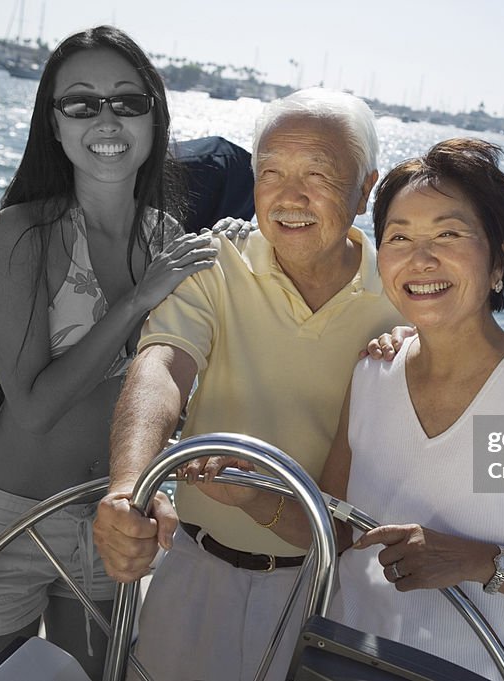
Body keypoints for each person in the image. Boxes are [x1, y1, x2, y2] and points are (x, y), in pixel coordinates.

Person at [200, 139, 504, 680]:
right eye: (399, 236)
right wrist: (252, 498)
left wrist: (477, 560)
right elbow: (338, 534)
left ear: (498, 257)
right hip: (347, 661)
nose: (421, 258)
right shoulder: (371, 375)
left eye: (449, 234)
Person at [92, 88, 404, 681]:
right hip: (191, 561)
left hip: (324, 585)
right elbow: (160, 365)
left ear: (366, 190)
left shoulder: (403, 296)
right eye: (271, 173)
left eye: (318, 174)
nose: (290, 196)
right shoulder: (216, 263)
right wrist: (129, 487)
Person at [0, 26, 217, 679]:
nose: (108, 118)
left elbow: (162, 383)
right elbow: (32, 407)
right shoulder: (19, 232)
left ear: (154, 116)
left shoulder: (165, 236)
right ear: (53, 125)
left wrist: (157, 486)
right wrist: (136, 298)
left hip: (105, 514)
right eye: (82, 103)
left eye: (128, 100)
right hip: (7, 515)